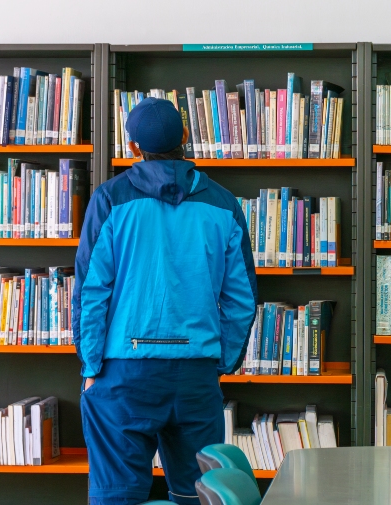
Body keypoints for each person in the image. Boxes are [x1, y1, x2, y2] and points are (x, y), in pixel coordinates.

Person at [72, 97, 258, 505]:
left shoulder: (109, 201)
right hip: (196, 377)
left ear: (134, 147)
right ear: (187, 138)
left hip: (122, 375)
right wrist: (221, 361)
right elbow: (243, 299)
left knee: (117, 497)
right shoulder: (224, 206)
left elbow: (91, 293)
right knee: (201, 495)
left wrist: (90, 365)